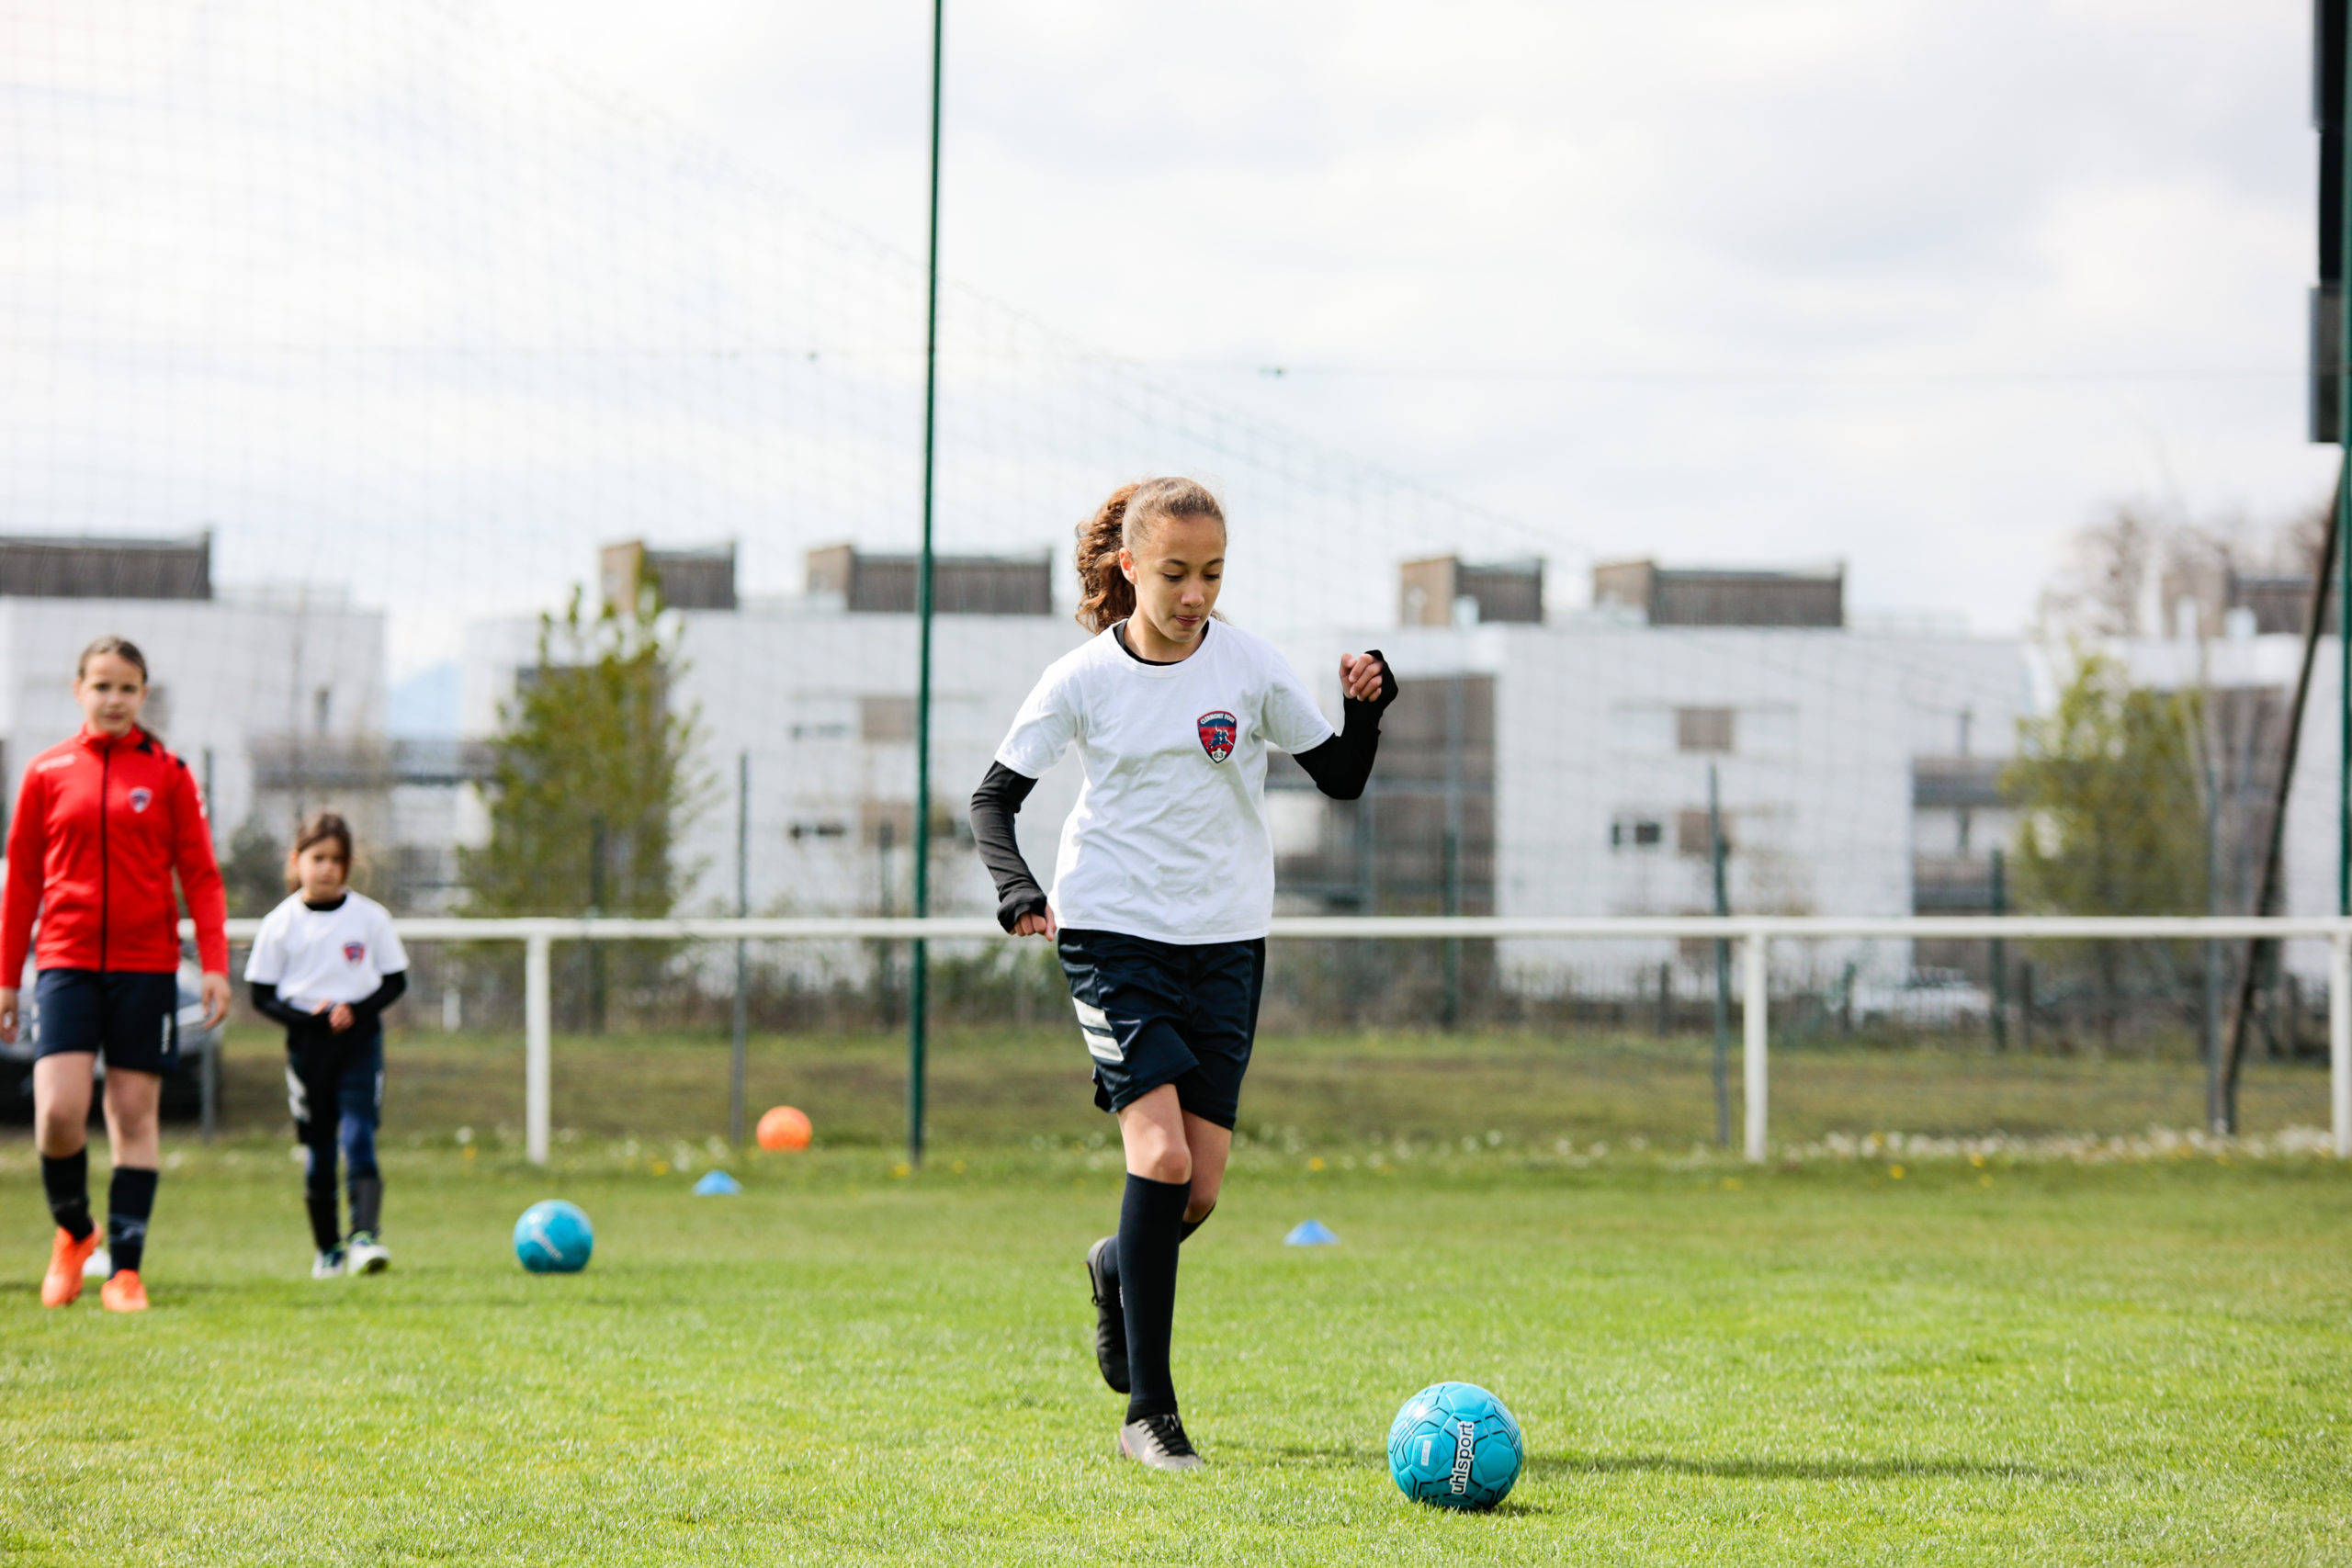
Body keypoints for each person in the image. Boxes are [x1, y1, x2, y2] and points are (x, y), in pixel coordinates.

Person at [970, 477, 1395, 1471]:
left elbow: (1337, 776)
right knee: (1156, 1161)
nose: (1195, 591)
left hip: (1227, 943)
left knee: (1193, 1194)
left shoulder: (1247, 666)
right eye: (1173, 572)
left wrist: (1365, 708)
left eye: (1210, 572)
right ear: (1129, 566)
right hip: (1113, 936)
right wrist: (1015, 887)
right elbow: (995, 800)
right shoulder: (1081, 679)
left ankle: (1119, 1262)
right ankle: (1147, 1419)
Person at [0, 636, 230, 1313]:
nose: (114, 699)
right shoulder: (47, 772)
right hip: (66, 963)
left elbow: (202, 875)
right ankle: (75, 1232)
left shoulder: (170, 774)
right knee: (58, 1115)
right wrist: (8, 976)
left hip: (147, 967)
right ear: (79, 690)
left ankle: (124, 1271)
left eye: (127, 688)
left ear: (143, 694)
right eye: (102, 686)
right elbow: (21, 888)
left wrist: (214, 965)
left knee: (133, 1114)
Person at [244, 813, 408, 1278]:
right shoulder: (281, 924)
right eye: (318, 858)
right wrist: (309, 1018)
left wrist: (355, 1010)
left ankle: (364, 1238)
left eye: (338, 860)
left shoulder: (370, 918)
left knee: (358, 1136)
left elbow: (395, 981)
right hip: (308, 1050)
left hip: (359, 1045)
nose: (328, 868)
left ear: (349, 865)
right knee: (318, 1151)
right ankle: (327, 1249)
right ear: (297, 861)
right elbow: (261, 994)